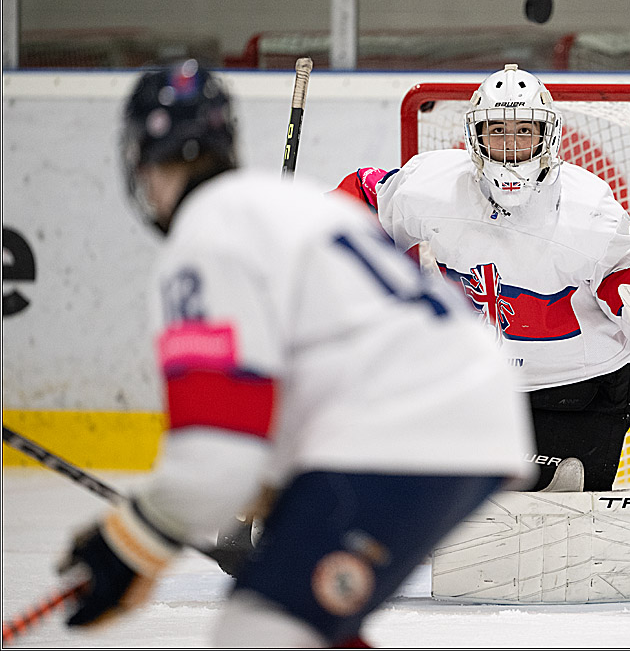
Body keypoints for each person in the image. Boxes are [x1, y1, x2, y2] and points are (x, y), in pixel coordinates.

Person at [55, 59, 536, 648]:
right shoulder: (296, 207)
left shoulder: (205, 236)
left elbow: (214, 456)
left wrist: (131, 541)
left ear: (145, 163)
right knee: (302, 621)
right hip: (478, 411)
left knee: (255, 633)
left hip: (403, 431)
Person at [335, 64, 630, 493]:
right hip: (478, 386)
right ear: (475, 138)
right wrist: (309, 253)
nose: (511, 146)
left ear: (548, 137)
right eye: (497, 132)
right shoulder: (428, 188)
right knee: (467, 529)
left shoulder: (588, 212)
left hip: (580, 393)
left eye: (524, 132)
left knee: (564, 536)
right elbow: (362, 197)